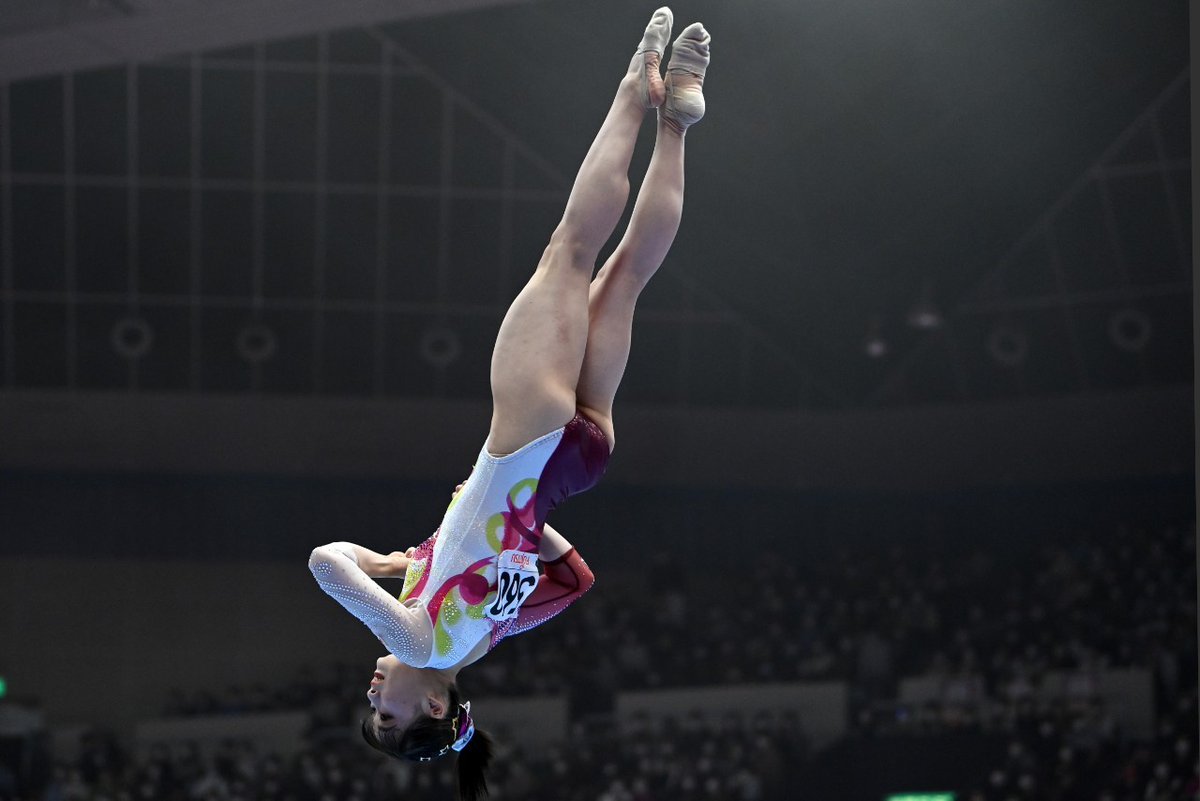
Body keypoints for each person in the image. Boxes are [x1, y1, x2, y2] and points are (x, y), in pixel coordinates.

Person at [308, 8, 710, 800]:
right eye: (390, 718)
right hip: (527, 435)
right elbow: (325, 563)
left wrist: (512, 521)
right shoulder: (417, 633)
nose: (373, 700)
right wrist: (384, 563)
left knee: (626, 276)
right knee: (571, 248)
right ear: (433, 700)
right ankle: (639, 82)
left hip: (578, 458)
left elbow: (577, 577)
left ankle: (679, 121)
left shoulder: (488, 634)